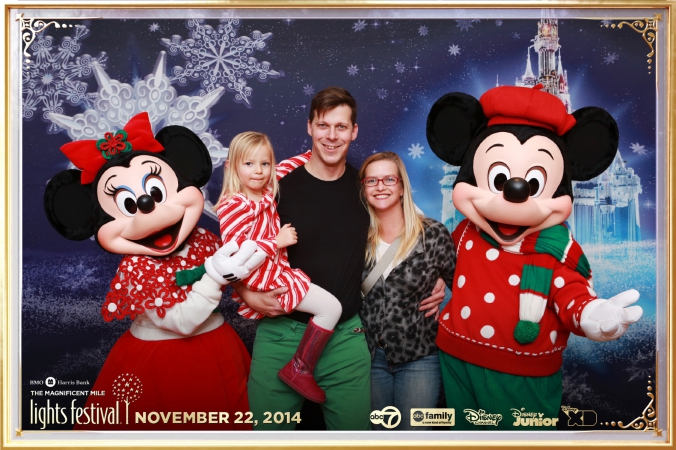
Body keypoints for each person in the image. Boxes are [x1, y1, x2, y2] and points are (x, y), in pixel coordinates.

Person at [232, 87, 446, 430]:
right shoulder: (276, 185)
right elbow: (234, 244)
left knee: (355, 438)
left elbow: (410, 230)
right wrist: (245, 293)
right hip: (281, 335)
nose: (332, 136)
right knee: (268, 438)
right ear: (310, 128)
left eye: (341, 127)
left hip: (344, 339)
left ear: (354, 131)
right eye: (323, 126)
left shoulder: (367, 188)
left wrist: (435, 277)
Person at [213, 131, 342, 403]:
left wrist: (316, 154)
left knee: (331, 307)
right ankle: (300, 369)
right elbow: (237, 261)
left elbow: (286, 166)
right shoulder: (233, 205)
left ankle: (300, 367)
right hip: (265, 281)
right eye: (249, 164)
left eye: (265, 164)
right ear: (232, 166)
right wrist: (277, 241)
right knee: (332, 308)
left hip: (277, 272)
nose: (259, 171)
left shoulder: (267, 191)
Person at [358, 152, 456, 430]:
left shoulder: (433, 234)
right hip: (368, 356)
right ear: (364, 188)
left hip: (420, 359)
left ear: (402, 186)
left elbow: (462, 288)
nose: (380, 186)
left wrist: (441, 294)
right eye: (372, 180)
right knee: (376, 436)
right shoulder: (355, 236)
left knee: (414, 437)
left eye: (389, 179)